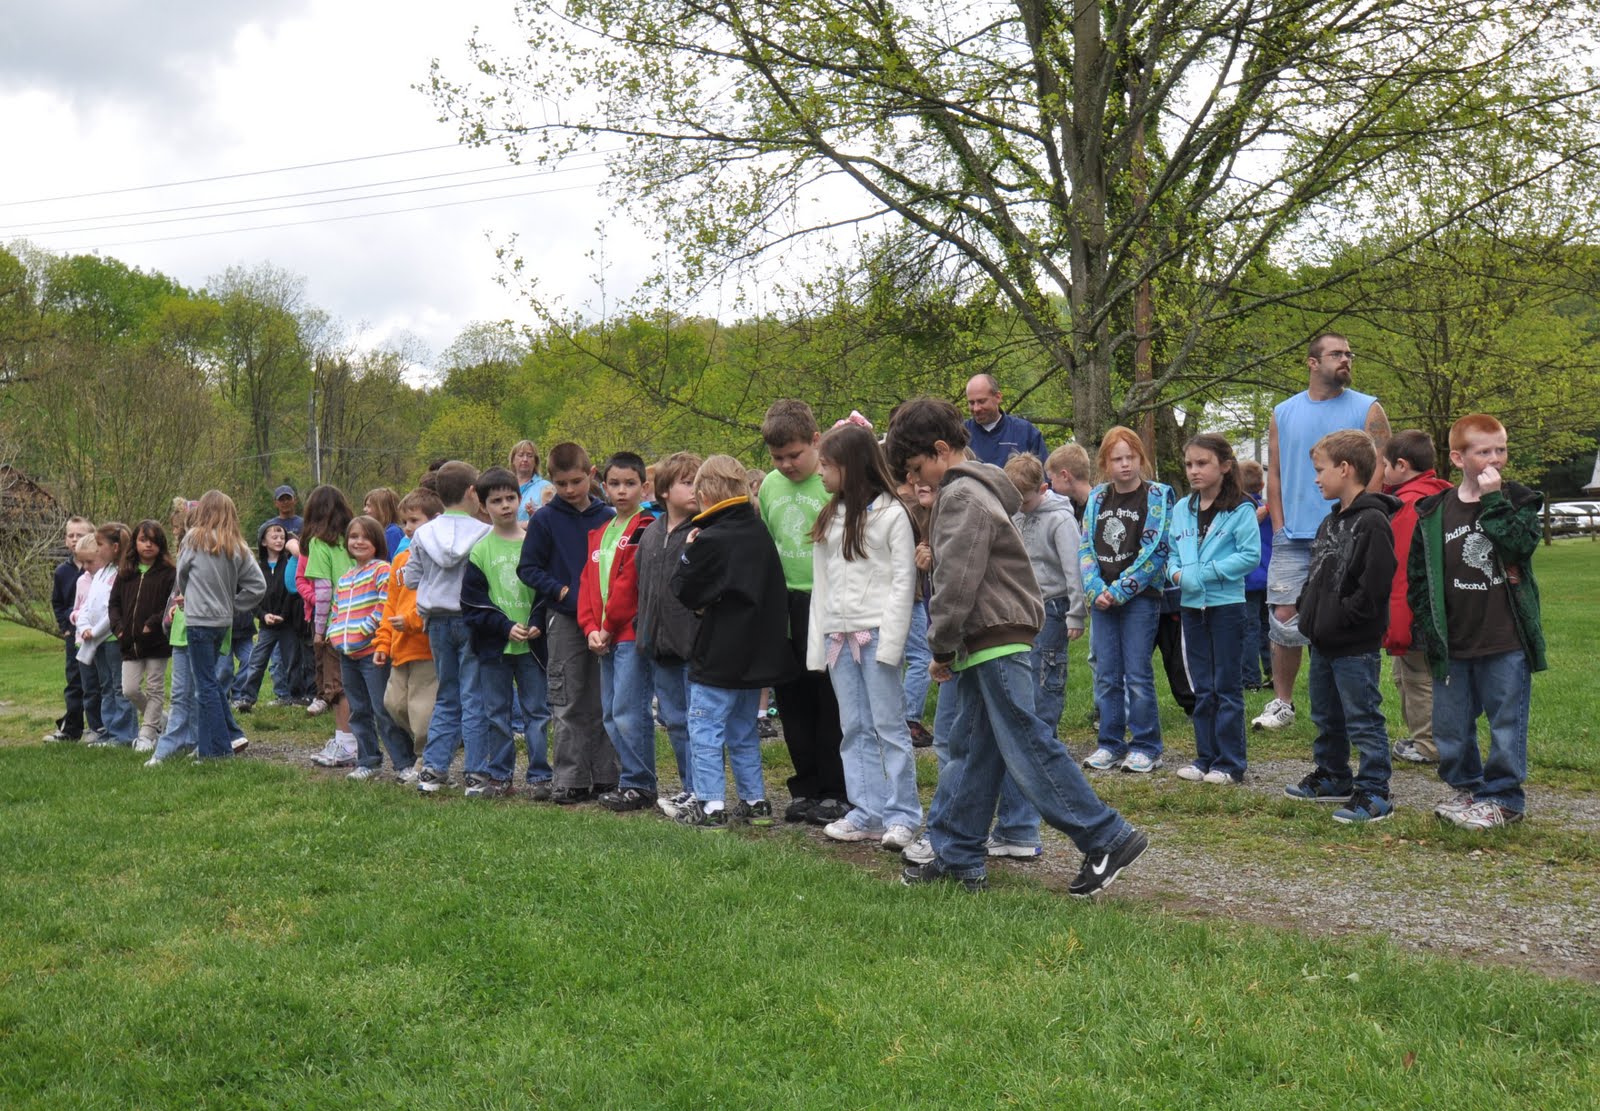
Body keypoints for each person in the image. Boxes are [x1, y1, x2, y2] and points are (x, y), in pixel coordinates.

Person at [884, 397, 1148, 896]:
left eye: (920, 468)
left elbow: (957, 583)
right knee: (977, 747)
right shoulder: (977, 489)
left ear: (942, 451)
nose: (920, 480)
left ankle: (1105, 836)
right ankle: (958, 853)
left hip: (992, 636)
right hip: (990, 637)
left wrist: (939, 647)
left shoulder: (960, 497)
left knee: (1027, 743)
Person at [1409, 414, 1546, 831]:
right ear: (1457, 457)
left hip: (1504, 638)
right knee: (1451, 725)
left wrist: (1493, 501)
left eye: (1500, 449)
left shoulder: (1518, 501)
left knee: (1506, 722)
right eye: (1483, 451)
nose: (1495, 459)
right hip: (1454, 640)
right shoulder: (1435, 511)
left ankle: (1504, 797)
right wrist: (1426, 625)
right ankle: (1468, 789)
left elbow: (1519, 544)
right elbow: (1420, 576)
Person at [1257, 333, 1390, 730]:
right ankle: (1282, 702)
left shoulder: (1369, 408)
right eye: (1336, 354)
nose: (1346, 359)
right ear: (1312, 362)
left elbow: (1378, 468)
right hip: (1293, 534)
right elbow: (1275, 472)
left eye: (1349, 353)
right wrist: (1279, 525)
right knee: (1284, 616)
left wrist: (1359, 516)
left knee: (1336, 617)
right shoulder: (1282, 412)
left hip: (1346, 532)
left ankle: (1339, 703)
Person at [805, 423, 921, 851]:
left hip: (875, 637)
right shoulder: (829, 518)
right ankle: (867, 810)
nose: (820, 474)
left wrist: (890, 644)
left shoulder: (892, 516)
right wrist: (819, 645)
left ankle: (903, 814)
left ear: (850, 468)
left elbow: (902, 583)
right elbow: (822, 586)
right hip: (839, 637)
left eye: (827, 466)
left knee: (889, 727)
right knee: (852, 726)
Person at [669, 455, 796, 827]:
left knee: (704, 727)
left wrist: (689, 549)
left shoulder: (711, 538)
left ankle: (710, 804)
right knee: (742, 730)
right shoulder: (759, 532)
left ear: (706, 493)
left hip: (720, 652)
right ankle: (755, 801)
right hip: (756, 654)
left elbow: (684, 588)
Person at [1282, 430, 1399, 823]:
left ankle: (1375, 791)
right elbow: (1316, 573)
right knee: (1326, 715)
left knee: (1362, 717)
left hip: (1353, 645)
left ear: (1345, 469)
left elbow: (1375, 584)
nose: (1316, 479)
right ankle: (1334, 776)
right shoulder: (1330, 522)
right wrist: (1306, 608)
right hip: (1323, 642)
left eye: (1321, 470)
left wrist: (1342, 617)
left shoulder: (1372, 522)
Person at [979, 452, 1087, 858]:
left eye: (1023, 498)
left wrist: (1077, 612)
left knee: (1034, 720)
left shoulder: (1059, 519)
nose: (1017, 505)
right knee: (1017, 716)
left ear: (1043, 489)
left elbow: (1072, 569)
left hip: (1053, 612)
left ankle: (1022, 827)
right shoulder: (1014, 516)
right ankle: (1013, 827)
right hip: (1020, 613)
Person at [757, 399, 849, 824]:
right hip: (786, 602)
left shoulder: (834, 482)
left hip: (827, 600)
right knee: (791, 698)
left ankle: (836, 789)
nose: (787, 465)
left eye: (795, 455)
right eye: (778, 458)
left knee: (828, 697)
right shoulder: (771, 487)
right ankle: (806, 786)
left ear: (816, 441)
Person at [518, 443, 617, 802]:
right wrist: (560, 591)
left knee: (606, 696)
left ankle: (607, 774)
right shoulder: (545, 519)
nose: (570, 490)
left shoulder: (607, 516)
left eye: (576, 481)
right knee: (568, 697)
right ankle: (571, 778)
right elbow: (528, 569)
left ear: (591, 476)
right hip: (564, 618)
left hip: (607, 620)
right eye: (561, 483)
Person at [1078, 427, 1174, 774]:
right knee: (1106, 674)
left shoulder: (1158, 496)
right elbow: (1086, 545)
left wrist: (1119, 590)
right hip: (1101, 598)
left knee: (1137, 673)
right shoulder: (1098, 498)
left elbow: (1156, 551)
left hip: (1140, 598)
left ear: (1140, 459)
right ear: (1105, 463)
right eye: (1117, 459)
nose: (1124, 465)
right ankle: (1110, 743)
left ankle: (1147, 745)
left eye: (1130, 457)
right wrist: (1094, 588)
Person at [1166, 434, 1261, 785]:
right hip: (1191, 607)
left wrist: (1206, 573)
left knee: (1226, 686)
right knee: (1202, 686)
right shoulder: (1182, 509)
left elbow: (1249, 556)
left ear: (1224, 465)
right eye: (1189, 464)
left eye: (1202, 463)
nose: (1194, 471)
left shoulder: (1241, 509)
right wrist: (1176, 573)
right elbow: (1172, 552)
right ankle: (1204, 757)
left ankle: (1230, 763)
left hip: (1227, 607)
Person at [578, 451, 660, 810]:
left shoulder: (646, 526)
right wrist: (590, 627)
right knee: (611, 712)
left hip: (628, 633)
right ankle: (631, 780)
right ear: (604, 486)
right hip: (603, 636)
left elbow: (629, 583)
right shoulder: (601, 531)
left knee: (630, 709)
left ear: (645, 487)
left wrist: (608, 626)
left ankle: (641, 784)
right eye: (614, 484)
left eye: (630, 484)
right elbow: (587, 584)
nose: (622, 491)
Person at [405, 461, 491, 794]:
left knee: (447, 694)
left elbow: (412, 577)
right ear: (473, 492)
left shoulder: (424, 533)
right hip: (471, 619)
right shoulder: (483, 532)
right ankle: (476, 773)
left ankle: (433, 770)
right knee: (474, 696)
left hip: (437, 621)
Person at [461, 467, 545, 798]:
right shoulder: (481, 550)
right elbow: (472, 602)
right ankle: (500, 776)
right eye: (497, 501)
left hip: (533, 646)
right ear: (484, 506)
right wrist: (505, 626)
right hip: (495, 648)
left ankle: (540, 776)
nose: (506, 506)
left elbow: (544, 592)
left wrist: (537, 621)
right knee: (497, 714)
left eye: (511, 498)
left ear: (521, 499)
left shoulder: (535, 544)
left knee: (537, 713)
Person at [174, 491, 267, 760]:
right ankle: (215, 745)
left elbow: (181, 573)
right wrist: (234, 604)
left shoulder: (193, 538)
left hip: (198, 621)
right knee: (211, 683)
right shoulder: (237, 545)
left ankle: (215, 751)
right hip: (223, 623)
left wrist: (188, 591)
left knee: (205, 688)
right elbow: (258, 586)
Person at [635, 452, 703, 819]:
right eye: (687, 482)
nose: (694, 489)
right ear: (663, 490)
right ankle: (688, 786)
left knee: (698, 720)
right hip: (658, 643)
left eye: (698, 482)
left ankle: (701, 789)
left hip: (692, 641)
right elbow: (642, 587)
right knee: (674, 720)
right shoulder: (650, 534)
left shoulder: (703, 530)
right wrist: (643, 629)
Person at [1380, 430, 1453, 765]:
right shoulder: (1440, 493)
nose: (1381, 473)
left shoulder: (1410, 505)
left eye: (1384, 466)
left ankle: (1428, 743)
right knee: (1408, 673)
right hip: (1436, 605)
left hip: (1415, 608)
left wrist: (1398, 620)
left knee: (1416, 676)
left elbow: (1401, 567)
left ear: (1401, 465)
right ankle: (1422, 736)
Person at [374, 487, 443, 786]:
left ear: (435, 520)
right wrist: (383, 641)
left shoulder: (439, 558)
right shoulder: (400, 560)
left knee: (421, 709)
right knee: (394, 704)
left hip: (426, 646)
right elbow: (391, 604)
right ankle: (443, 737)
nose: (407, 527)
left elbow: (435, 599)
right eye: (405, 521)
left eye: (414, 520)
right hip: (399, 647)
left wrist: (413, 622)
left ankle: (425, 759)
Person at [329, 516, 405, 782]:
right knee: (358, 709)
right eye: (353, 537)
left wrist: (364, 630)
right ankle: (368, 760)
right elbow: (336, 611)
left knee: (382, 708)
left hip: (373, 652)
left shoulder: (382, 570)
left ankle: (403, 762)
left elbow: (385, 606)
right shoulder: (346, 577)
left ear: (376, 542)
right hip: (346, 653)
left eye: (365, 537)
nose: (358, 542)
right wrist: (334, 634)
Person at [297, 485, 357, 766]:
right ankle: (352, 738)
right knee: (355, 684)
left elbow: (323, 593)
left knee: (336, 686)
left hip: (336, 626)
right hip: (361, 621)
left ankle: (346, 743)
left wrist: (320, 631)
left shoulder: (320, 544)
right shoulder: (355, 540)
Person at [109, 519, 177, 752]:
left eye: (153, 541)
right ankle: (161, 720)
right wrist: (118, 628)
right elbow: (114, 603)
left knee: (155, 688)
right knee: (129, 689)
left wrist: (153, 623)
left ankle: (147, 734)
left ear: (161, 545)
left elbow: (170, 604)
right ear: (135, 543)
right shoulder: (125, 573)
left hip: (156, 641)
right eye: (143, 540)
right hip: (129, 642)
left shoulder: (169, 573)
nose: (148, 545)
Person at [79, 523, 139, 746]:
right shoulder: (102, 572)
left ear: (115, 547)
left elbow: (112, 609)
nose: (97, 549)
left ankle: (124, 733)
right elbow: (88, 604)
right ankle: (110, 730)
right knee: (106, 686)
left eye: (100, 544)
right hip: (98, 641)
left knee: (118, 686)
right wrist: (84, 626)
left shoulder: (122, 573)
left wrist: (95, 631)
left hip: (113, 638)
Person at [233, 522, 304, 711]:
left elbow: (293, 593)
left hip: (287, 624)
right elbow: (252, 598)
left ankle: (296, 697)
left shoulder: (290, 564)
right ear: (263, 542)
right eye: (275, 537)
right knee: (257, 662)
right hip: (267, 625)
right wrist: (263, 616)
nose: (280, 540)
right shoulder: (256, 569)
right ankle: (247, 698)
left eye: (282, 537)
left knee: (292, 661)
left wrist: (283, 615)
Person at [45, 517, 98, 743]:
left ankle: (100, 726)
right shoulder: (62, 572)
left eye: (80, 535)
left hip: (98, 633)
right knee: (74, 681)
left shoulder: (99, 567)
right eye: (71, 535)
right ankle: (72, 728)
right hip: (74, 635)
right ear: (65, 540)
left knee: (97, 681)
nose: (75, 539)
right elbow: (57, 602)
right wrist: (65, 627)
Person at [1238, 460, 1273, 691]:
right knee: (1268, 628)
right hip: (1269, 576)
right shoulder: (1269, 510)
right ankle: (1273, 673)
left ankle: (1250, 679)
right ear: (1262, 484)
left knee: (1249, 629)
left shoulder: (1239, 511)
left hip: (1248, 578)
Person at [963, 374, 1049, 466]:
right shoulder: (960, 434)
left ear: (998, 397)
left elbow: (1045, 474)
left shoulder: (1026, 432)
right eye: (971, 403)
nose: (976, 408)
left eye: (982, 401)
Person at [1045, 442, 1095, 523]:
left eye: (1052, 479)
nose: (1052, 486)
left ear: (1064, 475)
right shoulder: (1070, 507)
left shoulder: (1100, 509)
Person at [510, 440, 554, 522]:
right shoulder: (505, 486)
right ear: (513, 460)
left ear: (535, 462)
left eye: (530, 456)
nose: (525, 459)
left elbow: (553, 517)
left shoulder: (547, 487)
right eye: (520, 455)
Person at [364, 487, 405, 559]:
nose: (364, 509)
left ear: (382, 509)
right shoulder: (377, 533)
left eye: (369, 506)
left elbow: (396, 562)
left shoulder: (392, 532)